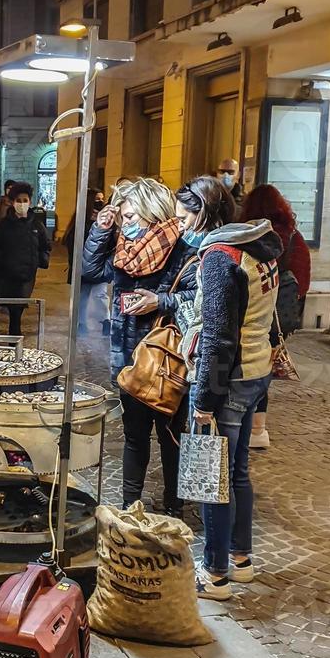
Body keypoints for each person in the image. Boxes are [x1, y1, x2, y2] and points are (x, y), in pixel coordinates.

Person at [176, 175, 282, 600]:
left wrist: (204, 400)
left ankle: (215, 573)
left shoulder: (220, 256)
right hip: (257, 371)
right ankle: (240, 559)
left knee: (212, 477)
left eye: (183, 216)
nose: (179, 224)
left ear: (202, 213)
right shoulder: (258, 245)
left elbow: (220, 336)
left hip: (229, 377)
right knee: (237, 472)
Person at [83, 177, 198, 517]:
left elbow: (197, 297)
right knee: (134, 436)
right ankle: (129, 505)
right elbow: (89, 270)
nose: (125, 224)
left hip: (167, 361)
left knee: (170, 436)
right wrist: (100, 232)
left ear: (152, 214)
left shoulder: (181, 250)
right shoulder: (122, 251)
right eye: (122, 217)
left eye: (130, 217)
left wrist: (159, 301)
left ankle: (174, 505)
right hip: (128, 358)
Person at [240, 184, 311, 449]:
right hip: (278, 317)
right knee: (264, 368)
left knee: (243, 364)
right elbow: (302, 281)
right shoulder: (293, 237)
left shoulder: (244, 234)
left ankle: (238, 420)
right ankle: (258, 429)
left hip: (249, 312)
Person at [0, 181, 51, 336]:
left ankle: (14, 336)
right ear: (13, 202)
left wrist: (41, 260)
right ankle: (14, 337)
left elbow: (45, 245)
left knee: (19, 307)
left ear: (30, 202)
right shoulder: (3, 225)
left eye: (25, 201)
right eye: (18, 201)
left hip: (27, 274)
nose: (22, 204)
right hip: (8, 275)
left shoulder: (36, 224)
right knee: (14, 309)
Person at [65, 188, 111, 336]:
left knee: (100, 295)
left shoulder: (105, 220)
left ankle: (106, 321)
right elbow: (71, 244)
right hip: (83, 268)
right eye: (97, 199)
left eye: (102, 199)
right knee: (82, 297)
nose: (101, 202)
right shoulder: (80, 221)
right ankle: (81, 324)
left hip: (99, 267)